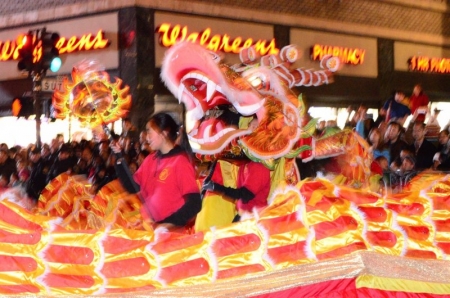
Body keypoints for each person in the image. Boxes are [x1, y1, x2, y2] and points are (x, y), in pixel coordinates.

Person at [131, 112, 201, 228]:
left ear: (163, 133)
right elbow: (132, 186)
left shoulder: (180, 162)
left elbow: (194, 203)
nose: (147, 137)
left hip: (171, 237)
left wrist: (166, 225)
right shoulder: (150, 159)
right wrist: (119, 157)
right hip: (150, 231)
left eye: (149, 132)